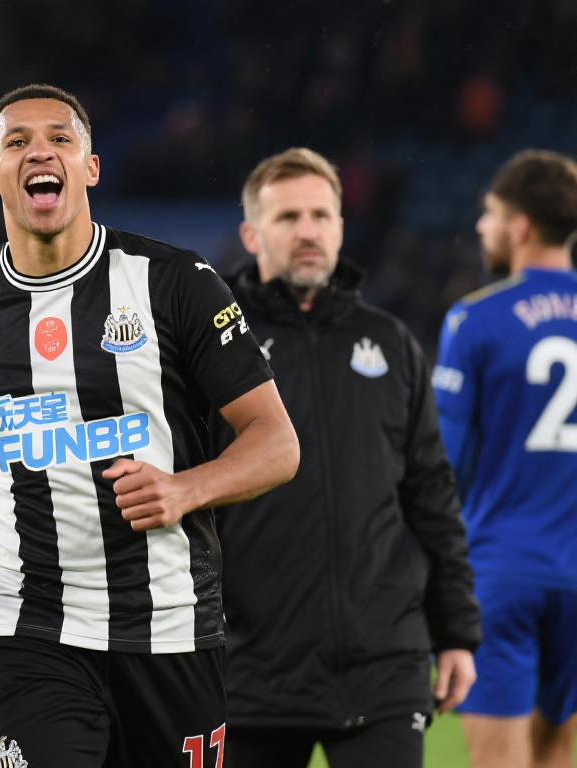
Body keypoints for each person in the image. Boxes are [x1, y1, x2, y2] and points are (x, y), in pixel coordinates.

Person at [0, 83, 300, 768]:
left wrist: (185, 489)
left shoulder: (174, 282)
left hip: (170, 627)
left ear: (90, 167)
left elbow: (276, 443)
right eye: (17, 142)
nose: (40, 151)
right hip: (27, 628)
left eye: (60, 139)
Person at [210, 147, 482, 768]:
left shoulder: (392, 343)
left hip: (383, 669)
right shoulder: (213, 348)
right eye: (288, 218)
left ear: (340, 226)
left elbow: (431, 496)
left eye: (321, 215)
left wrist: (457, 634)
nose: (307, 231)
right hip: (247, 671)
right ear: (252, 235)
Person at [432, 149, 577, 768]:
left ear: (520, 227)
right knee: (555, 753)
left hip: (502, 571)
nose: (481, 226)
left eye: (489, 214)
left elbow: (445, 468)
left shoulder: (476, 319)